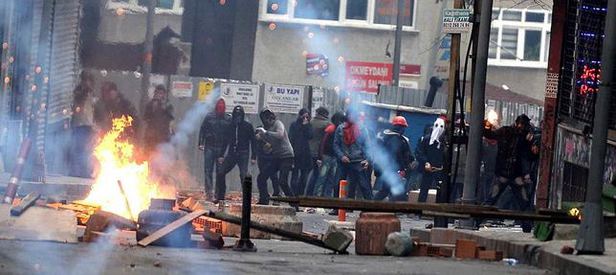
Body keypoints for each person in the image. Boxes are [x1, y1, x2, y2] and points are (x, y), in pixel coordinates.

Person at [483, 114, 536, 231]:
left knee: (522, 202)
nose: (522, 127)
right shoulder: (508, 132)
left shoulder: (514, 134)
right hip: (508, 174)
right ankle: (476, 221)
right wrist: (486, 126)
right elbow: (489, 134)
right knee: (493, 200)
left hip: (511, 174)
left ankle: (527, 226)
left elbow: (527, 156)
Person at [215, 105, 257, 202]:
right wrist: (221, 155)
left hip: (243, 154)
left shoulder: (248, 126)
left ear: (242, 116)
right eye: (236, 115)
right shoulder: (230, 126)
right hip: (232, 154)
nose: (238, 118)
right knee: (221, 172)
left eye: (240, 115)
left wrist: (254, 156)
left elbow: (253, 142)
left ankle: (246, 199)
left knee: (243, 175)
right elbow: (225, 141)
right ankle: (220, 197)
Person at [255, 109, 295, 205]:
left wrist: (265, 133)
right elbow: (268, 147)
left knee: (283, 181)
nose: (267, 122)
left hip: (287, 156)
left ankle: (294, 203)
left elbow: (280, 135)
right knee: (261, 177)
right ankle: (264, 199)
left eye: (268, 120)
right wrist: (261, 138)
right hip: (277, 157)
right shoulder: (267, 130)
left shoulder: (278, 124)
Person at [333, 110, 372, 200]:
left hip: (358, 161)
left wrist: (367, 160)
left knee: (364, 185)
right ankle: (336, 208)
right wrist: (341, 156)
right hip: (343, 161)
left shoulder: (362, 129)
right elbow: (336, 144)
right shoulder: (340, 128)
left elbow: (368, 146)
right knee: (337, 185)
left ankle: (370, 209)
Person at [374, 116, 415, 201]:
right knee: (393, 192)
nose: (404, 129)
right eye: (403, 127)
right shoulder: (395, 139)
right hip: (394, 170)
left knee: (387, 191)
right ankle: (371, 206)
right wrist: (401, 169)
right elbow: (396, 155)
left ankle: (372, 205)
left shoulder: (391, 137)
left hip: (390, 170)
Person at [198, 98, 230, 201]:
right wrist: (201, 143)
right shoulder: (209, 116)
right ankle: (209, 194)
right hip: (209, 147)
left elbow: (231, 133)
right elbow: (202, 130)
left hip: (221, 149)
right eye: (219, 104)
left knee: (220, 172)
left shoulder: (228, 118)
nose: (220, 106)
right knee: (208, 171)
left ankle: (218, 194)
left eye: (222, 104)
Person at [69, 71, 96, 178]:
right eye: (87, 80)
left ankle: (84, 171)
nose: (89, 83)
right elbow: (78, 103)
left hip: (87, 124)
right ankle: (78, 172)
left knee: (86, 150)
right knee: (79, 149)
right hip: (80, 124)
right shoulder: (80, 91)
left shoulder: (90, 92)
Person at [416, 117, 446, 203]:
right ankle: (420, 208)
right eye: (436, 126)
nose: (438, 129)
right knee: (424, 189)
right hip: (427, 169)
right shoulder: (426, 139)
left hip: (439, 170)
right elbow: (419, 152)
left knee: (440, 190)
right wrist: (426, 162)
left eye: (441, 127)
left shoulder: (444, 142)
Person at [305, 107, 330, 196]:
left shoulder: (311, 122)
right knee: (318, 174)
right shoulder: (327, 124)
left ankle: (307, 192)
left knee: (309, 173)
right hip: (319, 152)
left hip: (308, 151)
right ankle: (313, 193)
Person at [143, 85, 174, 156]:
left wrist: (163, 107)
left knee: (161, 156)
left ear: (164, 94)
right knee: (149, 154)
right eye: (158, 93)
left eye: (161, 93)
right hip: (151, 136)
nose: (159, 95)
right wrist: (153, 108)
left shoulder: (167, 105)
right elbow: (146, 118)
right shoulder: (150, 105)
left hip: (163, 136)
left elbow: (171, 118)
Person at [289, 108, 313, 196]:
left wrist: (305, 125)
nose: (305, 118)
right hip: (295, 153)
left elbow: (310, 136)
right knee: (294, 175)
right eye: (304, 116)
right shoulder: (294, 125)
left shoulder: (309, 125)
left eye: (307, 116)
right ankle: (293, 193)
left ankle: (300, 193)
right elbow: (291, 137)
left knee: (304, 177)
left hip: (305, 154)